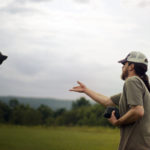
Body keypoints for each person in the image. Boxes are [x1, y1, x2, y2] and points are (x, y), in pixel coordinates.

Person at [69, 51, 150, 150]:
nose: (122, 67)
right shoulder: (140, 89)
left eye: (124, 64)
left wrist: (118, 122)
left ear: (131, 66)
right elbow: (107, 101)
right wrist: (86, 90)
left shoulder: (132, 81)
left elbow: (138, 111)